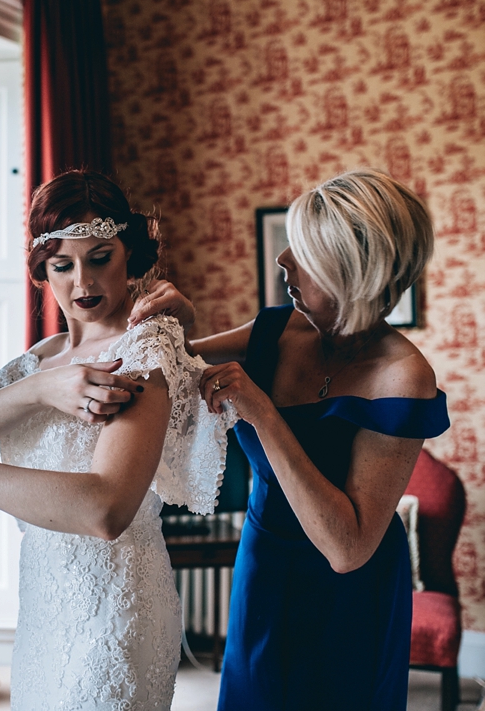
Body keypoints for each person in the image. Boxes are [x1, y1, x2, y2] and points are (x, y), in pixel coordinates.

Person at [0, 171, 232, 711]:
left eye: (100, 257)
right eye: (62, 265)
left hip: (117, 607)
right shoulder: (43, 358)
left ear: (128, 252)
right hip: (45, 601)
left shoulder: (146, 347)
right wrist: (39, 389)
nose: (82, 282)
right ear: (42, 271)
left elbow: (106, 510)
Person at [141, 169, 450, 710]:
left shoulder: (402, 376)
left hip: (350, 596)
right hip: (265, 565)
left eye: (303, 251)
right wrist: (180, 326)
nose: (283, 260)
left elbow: (348, 548)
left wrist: (263, 412)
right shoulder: (279, 330)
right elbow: (172, 370)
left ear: (351, 270)